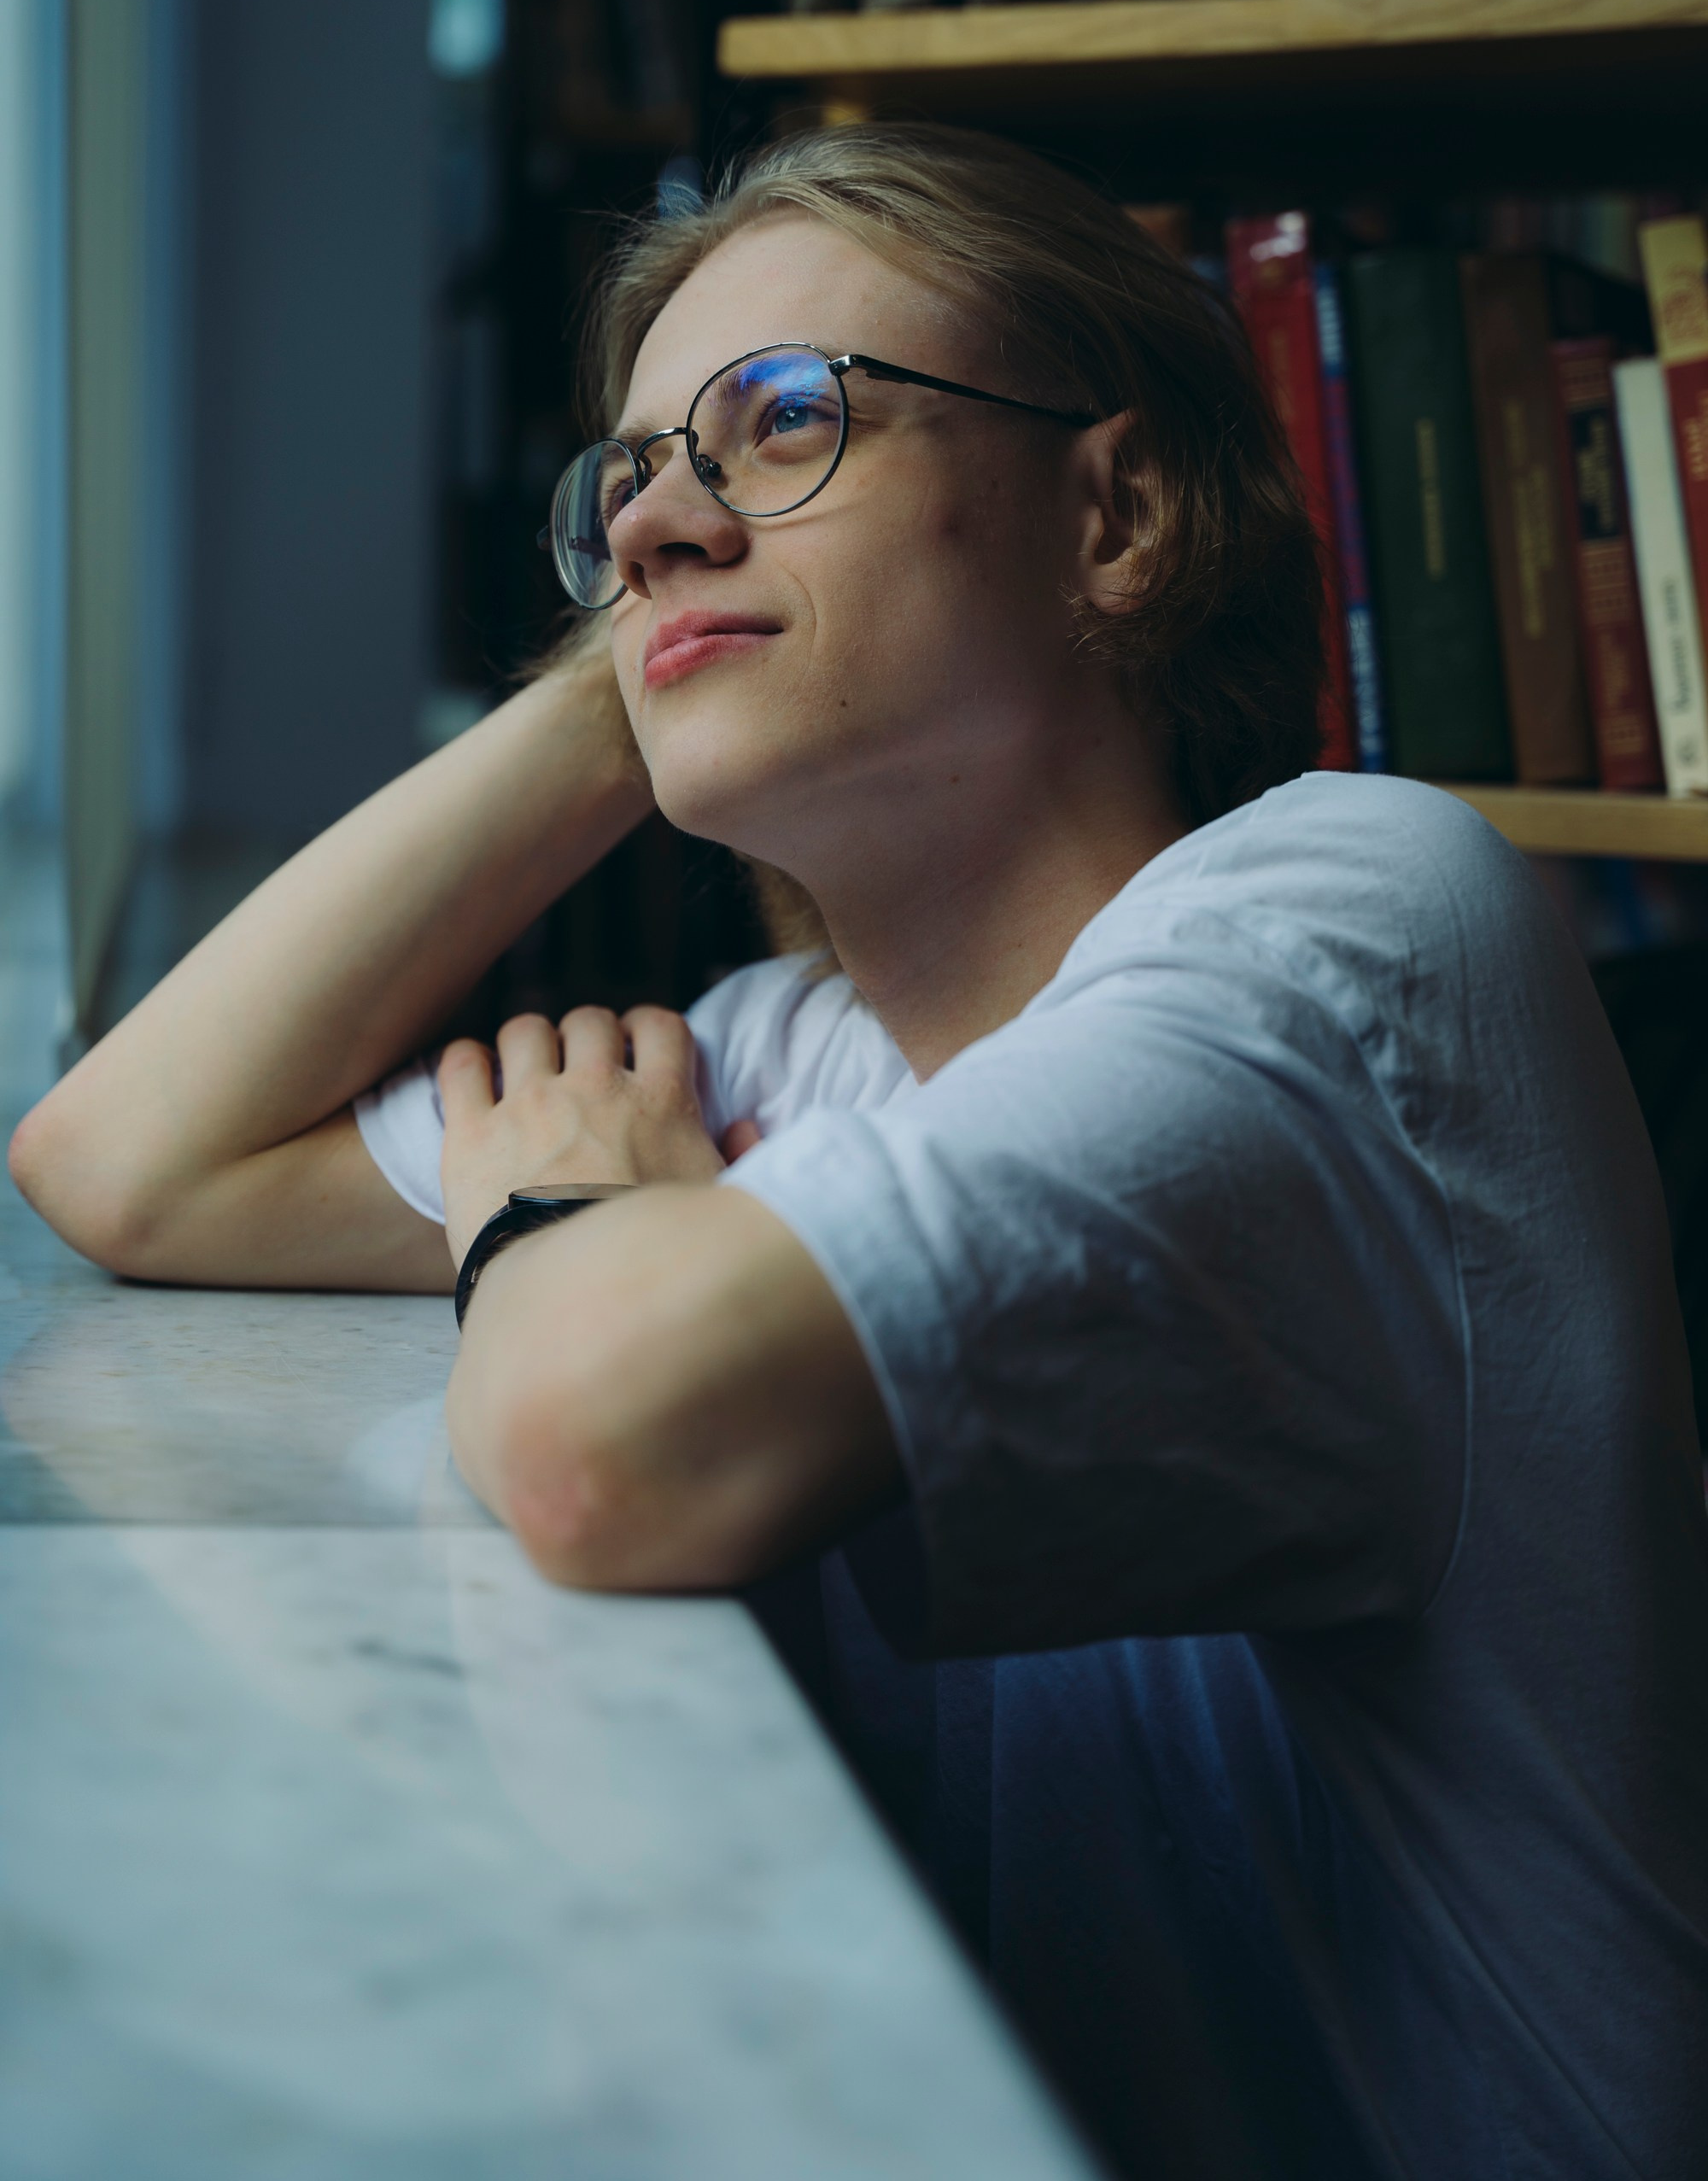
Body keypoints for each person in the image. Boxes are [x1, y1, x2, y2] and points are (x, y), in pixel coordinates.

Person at [11, 124, 1707, 2181]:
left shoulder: (1358, 922)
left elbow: (600, 1437)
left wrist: (560, 1209)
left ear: (1116, 514)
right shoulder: (785, 1059)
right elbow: (125, 1159)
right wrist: (649, 664)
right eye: (628, 477)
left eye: (786, 420)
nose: (651, 527)